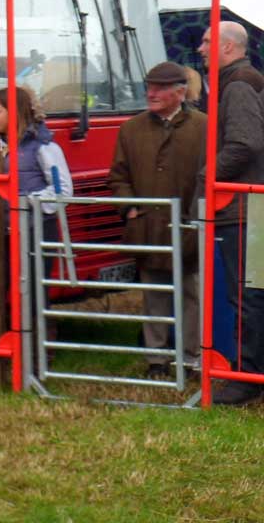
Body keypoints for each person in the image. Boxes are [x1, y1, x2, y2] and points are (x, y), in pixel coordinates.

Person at [107, 61, 207, 378]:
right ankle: (156, 359)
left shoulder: (205, 127)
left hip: (190, 226)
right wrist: (129, 208)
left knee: (192, 294)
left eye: (160, 88)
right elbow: (118, 177)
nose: (151, 93)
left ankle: (192, 358)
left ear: (180, 92)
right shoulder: (131, 129)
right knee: (153, 294)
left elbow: (212, 177)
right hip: (148, 227)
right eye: (149, 86)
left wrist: (199, 216)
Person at [0, 87, 73, 334]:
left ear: (14, 113)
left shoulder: (44, 147)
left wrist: (25, 205)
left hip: (35, 232)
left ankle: (37, 358)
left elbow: (62, 189)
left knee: (34, 295)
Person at [198, 20, 264, 405]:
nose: (200, 49)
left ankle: (246, 376)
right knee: (252, 291)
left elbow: (244, 143)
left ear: (227, 47)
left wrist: (209, 177)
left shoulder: (237, 85)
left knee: (247, 293)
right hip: (247, 204)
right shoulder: (243, 81)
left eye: (207, 42)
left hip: (242, 207)